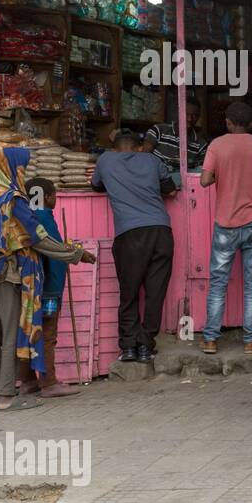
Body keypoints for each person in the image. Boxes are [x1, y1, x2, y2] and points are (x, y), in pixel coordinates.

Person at [0, 149, 92, 411]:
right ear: (11, 168)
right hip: (8, 272)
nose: (22, 174)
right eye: (21, 169)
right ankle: (5, 397)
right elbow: (38, 239)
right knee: (12, 333)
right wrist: (76, 254)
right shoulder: (13, 199)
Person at [198, 101, 252, 355]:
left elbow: (204, 180)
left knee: (218, 284)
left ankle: (211, 339)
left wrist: (223, 175)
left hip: (226, 224)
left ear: (229, 122)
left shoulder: (217, 145)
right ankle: (251, 342)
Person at [91, 130, 176, 363]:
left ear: (115, 147)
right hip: (161, 231)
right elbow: (170, 189)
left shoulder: (105, 160)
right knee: (155, 293)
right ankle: (146, 346)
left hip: (129, 235)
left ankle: (128, 347)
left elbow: (96, 186)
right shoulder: (152, 160)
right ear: (139, 147)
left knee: (128, 294)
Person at [16, 178, 94, 399]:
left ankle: (28, 381)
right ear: (48, 197)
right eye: (53, 195)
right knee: (47, 333)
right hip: (47, 287)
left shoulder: (26, 215)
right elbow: (54, 251)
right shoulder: (43, 217)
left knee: (29, 331)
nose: (54, 199)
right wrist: (75, 254)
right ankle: (49, 382)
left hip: (29, 286)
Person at [143, 96, 208, 179]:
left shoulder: (201, 144)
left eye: (194, 115)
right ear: (179, 112)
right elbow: (143, 157)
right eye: (186, 114)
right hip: (154, 180)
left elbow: (201, 172)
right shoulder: (159, 130)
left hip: (183, 186)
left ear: (199, 117)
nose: (190, 119)